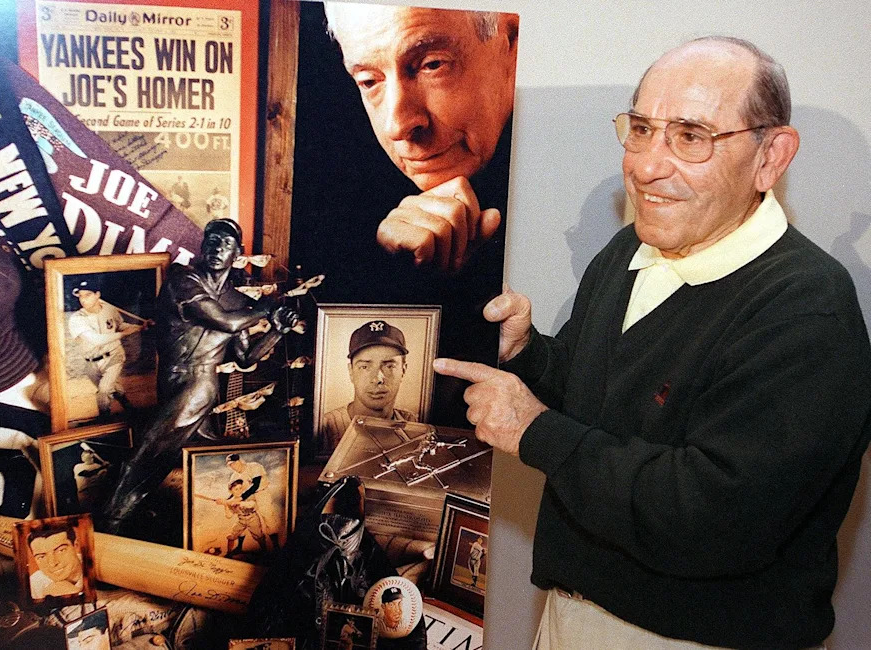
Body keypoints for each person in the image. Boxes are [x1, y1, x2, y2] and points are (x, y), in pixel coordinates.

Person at [434, 37, 871, 648]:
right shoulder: (633, 249)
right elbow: (595, 398)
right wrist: (526, 352)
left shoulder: (807, 309)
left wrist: (534, 431)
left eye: (690, 136)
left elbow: (710, 519)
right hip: (569, 616)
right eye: (640, 129)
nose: (645, 167)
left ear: (771, 157)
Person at [290, 5, 519, 427]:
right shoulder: (327, 191)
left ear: (511, 43)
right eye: (369, 81)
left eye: (432, 65)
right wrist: (393, 268)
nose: (397, 124)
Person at [102, 219, 298, 534]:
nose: (217, 248)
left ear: (237, 255)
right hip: (171, 380)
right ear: (202, 247)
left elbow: (245, 357)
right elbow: (225, 321)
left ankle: (110, 523)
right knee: (173, 455)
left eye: (226, 244)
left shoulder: (237, 301)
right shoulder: (183, 281)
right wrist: (265, 309)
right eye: (212, 241)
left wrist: (277, 330)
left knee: (145, 452)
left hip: (200, 384)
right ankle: (173, 522)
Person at [320, 320, 416, 454]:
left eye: (389, 366)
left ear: (403, 370)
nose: (377, 379)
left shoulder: (414, 424)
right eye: (364, 367)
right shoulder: (325, 427)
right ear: (351, 372)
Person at [67, 279, 146, 417]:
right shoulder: (77, 318)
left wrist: (140, 327)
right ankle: (129, 408)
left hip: (114, 355)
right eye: (80, 296)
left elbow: (121, 326)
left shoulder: (109, 309)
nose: (83, 300)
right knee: (111, 388)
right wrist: (123, 334)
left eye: (87, 295)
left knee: (103, 391)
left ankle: (104, 420)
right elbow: (96, 340)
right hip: (91, 362)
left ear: (97, 294)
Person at [28, 525, 85, 599]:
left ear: (76, 546)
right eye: (41, 557)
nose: (53, 563)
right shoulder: (34, 583)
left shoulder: (95, 567)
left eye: (61, 550)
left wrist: (74, 592)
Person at [73, 445, 112, 511]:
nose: (83, 456)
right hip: (84, 494)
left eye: (86, 454)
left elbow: (104, 479)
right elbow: (86, 473)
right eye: (83, 455)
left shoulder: (98, 466)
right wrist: (103, 467)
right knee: (87, 511)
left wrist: (108, 468)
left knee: (99, 511)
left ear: (92, 456)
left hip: (97, 492)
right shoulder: (78, 466)